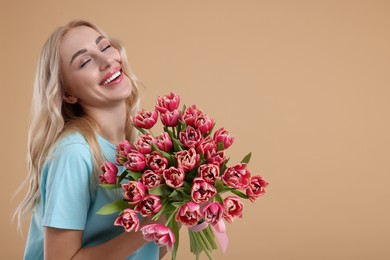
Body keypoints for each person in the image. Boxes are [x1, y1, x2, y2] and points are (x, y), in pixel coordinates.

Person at [14, 20, 166, 260]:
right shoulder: (75, 153)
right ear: (68, 94)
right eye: (85, 62)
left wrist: (185, 209)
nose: (107, 61)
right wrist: (148, 228)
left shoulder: (139, 149)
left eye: (105, 47)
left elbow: (143, 253)